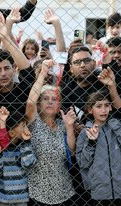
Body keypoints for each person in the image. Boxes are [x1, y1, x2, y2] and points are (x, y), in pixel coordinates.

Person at [25, 59, 77, 205]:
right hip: (37, 194)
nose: (50, 102)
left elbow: (71, 150)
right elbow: (30, 103)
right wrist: (42, 73)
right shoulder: (34, 122)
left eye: (54, 99)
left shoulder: (63, 124)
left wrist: (69, 127)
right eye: (45, 99)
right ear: (39, 103)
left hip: (64, 192)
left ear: (59, 104)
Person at [76, 90, 121, 206]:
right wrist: (91, 142)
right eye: (98, 106)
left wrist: (115, 125)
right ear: (90, 110)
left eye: (107, 105)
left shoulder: (118, 126)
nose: (103, 110)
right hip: (99, 191)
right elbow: (82, 162)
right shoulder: (85, 132)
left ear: (111, 108)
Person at [0, 111, 37, 206]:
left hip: (21, 198)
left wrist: (26, 143)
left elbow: (29, 164)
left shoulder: (24, 147)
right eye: (22, 125)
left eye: (26, 125)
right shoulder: (1, 149)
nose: (26, 128)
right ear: (12, 133)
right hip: (4, 199)